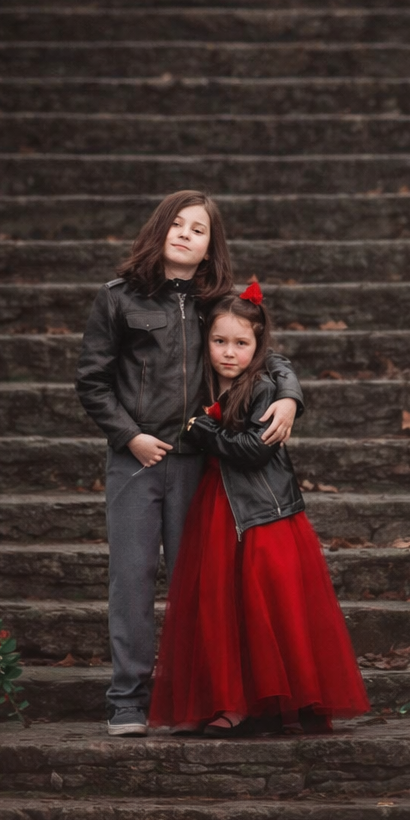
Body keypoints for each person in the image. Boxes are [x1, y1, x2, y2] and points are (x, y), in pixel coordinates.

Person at [75, 191, 304, 736]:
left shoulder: (216, 303)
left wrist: (290, 395)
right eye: (176, 224)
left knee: (196, 582)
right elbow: (92, 381)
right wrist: (130, 437)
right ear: (158, 231)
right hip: (135, 461)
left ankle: (193, 695)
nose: (184, 234)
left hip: (200, 464)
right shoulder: (117, 300)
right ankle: (128, 698)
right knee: (131, 577)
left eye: (197, 230)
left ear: (209, 248)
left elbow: (269, 353)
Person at [149, 282, 370, 737]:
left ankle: (275, 700)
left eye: (241, 343)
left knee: (271, 606)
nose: (229, 352)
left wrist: (204, 431)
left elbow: (254, 449)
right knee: (220, 606)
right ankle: (228, 700)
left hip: (263, 513)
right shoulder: (203, 380)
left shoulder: (265, 387)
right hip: (216, 505)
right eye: (219, 341)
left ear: (258, 345)